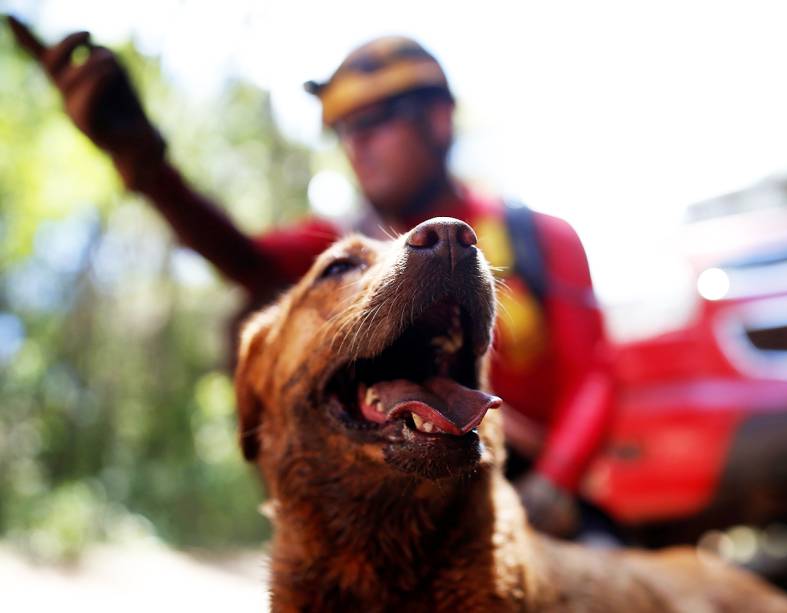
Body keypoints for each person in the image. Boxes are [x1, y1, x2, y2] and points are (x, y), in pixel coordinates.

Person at [9, 17, 617, 538]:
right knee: (252, 312)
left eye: (376, 121)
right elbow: (243, 259)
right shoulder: (346, 245)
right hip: (392, 477)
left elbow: (597, 378)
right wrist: (145, 163)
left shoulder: (541, 238)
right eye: (345, 131)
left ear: (438, 118)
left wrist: (550, 489)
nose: (357, 146)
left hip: (540, 493)